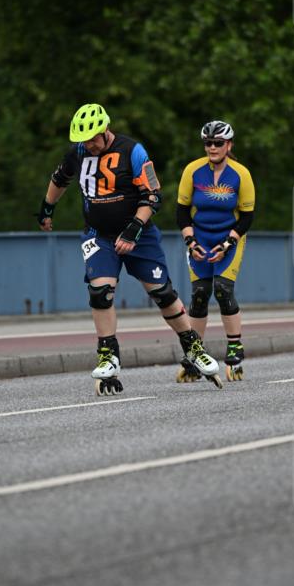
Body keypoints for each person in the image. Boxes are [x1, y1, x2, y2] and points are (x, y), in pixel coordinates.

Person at [37, 103, 222, 392]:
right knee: (100, 292)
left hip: (140, 234)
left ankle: (193, 348)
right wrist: (47, 209)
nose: (90, 145)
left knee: (162, 293)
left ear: (106, 129)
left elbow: (153, 196)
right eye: (84, 140)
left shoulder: (132, 151)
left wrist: (133, 229)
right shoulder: (78, 153)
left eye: (94, 139)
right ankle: (108, 355)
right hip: (99, 235)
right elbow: (59, 179)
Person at [176, 120, 256, 381]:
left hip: (229, 238)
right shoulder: (193, 171)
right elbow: (181, 212)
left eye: (218, 143)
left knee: (222, 289)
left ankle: (234, 346)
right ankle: (195, 353)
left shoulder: (241, 174)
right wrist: (191, 242)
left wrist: (228, 243)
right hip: (200, 239)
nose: (212, 147)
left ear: (229, 145)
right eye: (208, 143)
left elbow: (246, 216)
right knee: (199, 294)